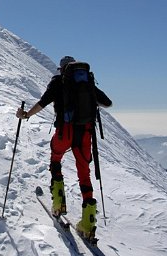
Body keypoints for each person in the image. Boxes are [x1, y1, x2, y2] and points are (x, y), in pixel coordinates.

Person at [16, 56, 112, 239]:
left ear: (62, 69)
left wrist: (26, 114)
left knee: (56, 159)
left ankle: (59, 202)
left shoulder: (58, 82)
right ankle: (88, 222)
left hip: (64, 132)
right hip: (85, 133)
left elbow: (43, 102)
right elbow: (108, 103)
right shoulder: (86, 82)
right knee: (84, 173)